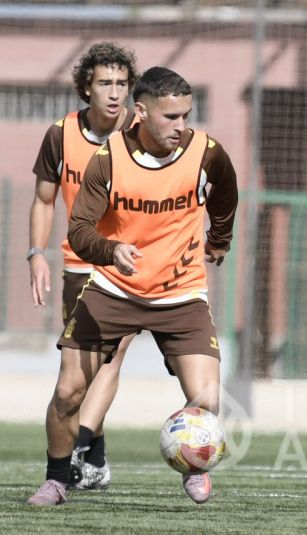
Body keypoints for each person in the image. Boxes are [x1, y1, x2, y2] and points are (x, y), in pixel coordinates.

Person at [26, 66, 238, 506]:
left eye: (186, 115)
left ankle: (193, 463)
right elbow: (79, 229)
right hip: (112, 291)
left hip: (180, 294)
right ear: (141, 112)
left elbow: (225, 196)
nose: (182, 126)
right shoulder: (108, 159)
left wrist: (219, 240)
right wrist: (111, 249)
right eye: (171, 117)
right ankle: (57, 481)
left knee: (207, 398)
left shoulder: (207, 153)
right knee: (67, 393)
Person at [29, 41, 139, 490]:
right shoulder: (61, 135)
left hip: (130, 265)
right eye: (105, 83)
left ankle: (80, 445)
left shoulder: (141, 130)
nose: (115, 93)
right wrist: (37, 254)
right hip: (78, 266)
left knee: (110, 360)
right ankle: (96, 458)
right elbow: (43, 200)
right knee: (80, 371)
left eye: (122, 83)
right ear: (86, 89)